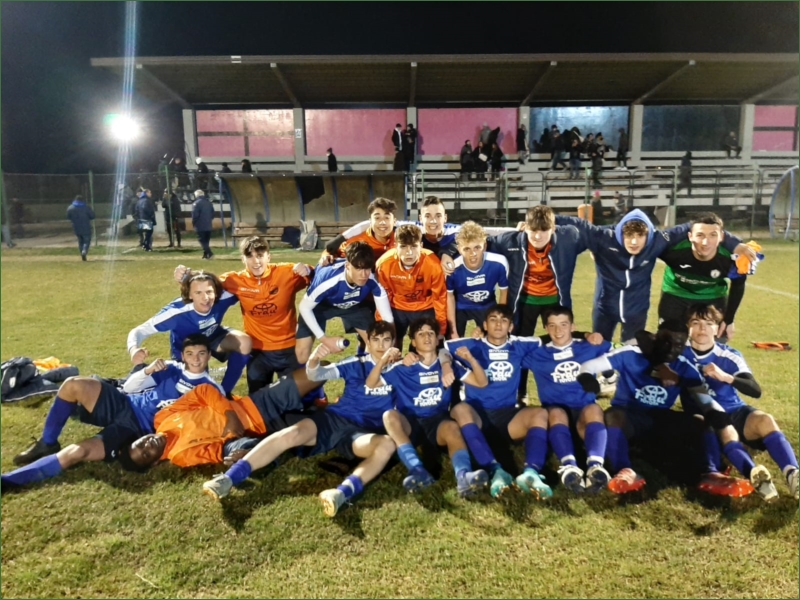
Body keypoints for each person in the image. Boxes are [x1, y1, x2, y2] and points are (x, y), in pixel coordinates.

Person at [202, 324, 397, 517]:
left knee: (386, 445)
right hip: (334, 419)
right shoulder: (356, 363)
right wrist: (314, 359)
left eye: (386, 340)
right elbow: (317, 374)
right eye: (376, 340)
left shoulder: (403, 370)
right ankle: (228, 479)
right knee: (292, 434)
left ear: (394, 342)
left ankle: (341, 494)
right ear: (368, 342)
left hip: (362, 432)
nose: (381, 345)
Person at [2, 334, 221, 491]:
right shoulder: (171, 368)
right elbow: (130, 387)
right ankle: (47, 442)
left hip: (138, 431)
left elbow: (210, 423)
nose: (196, 359)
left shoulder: (212, 390)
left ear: (209, 355)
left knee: (78, 452)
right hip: (124, 402)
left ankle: (9, 481)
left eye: (201, 353)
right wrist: (147, 370)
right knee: (72, 385)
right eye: (190, 353)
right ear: (183, 355)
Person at [578, 328, 777, 499]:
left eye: (679, 344)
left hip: (659, 420)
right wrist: (587, 377)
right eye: (667, 341)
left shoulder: (684, 366)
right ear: (656, 339)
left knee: (700, 420)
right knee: (613, 415)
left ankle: (711, 473)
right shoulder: (630, 353)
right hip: (629, 417)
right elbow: (590, 366)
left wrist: (716, 413)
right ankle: (624, 470)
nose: (672, 348)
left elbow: (703, 397)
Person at [554, 208, 748, 342]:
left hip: (637, 309)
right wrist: (544, 220)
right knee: (599, 343)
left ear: (649, 235)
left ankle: (628, 382)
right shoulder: (603, 239)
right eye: (629, 236)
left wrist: (735, 243)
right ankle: (605, 376)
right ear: (620, 233)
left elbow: (696, 226)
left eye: (640, 236)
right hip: (605, 307)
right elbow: (577, 223)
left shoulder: (658, 240)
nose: (634, 242)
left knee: (632, 348)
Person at [368, 317, 490, 497]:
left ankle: (464, 476)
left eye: (431, 333)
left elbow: (481, 382)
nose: (426, 337)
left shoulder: (447, 365)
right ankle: (417, 469)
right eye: (421, 334)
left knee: (452, 427)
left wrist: (471, 360)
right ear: (413, 341)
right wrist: (384, 360)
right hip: (410, 423)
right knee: (390, 416)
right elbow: (371, 384)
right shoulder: (403, 366)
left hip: (437, 422)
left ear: (437, 338)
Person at [174, 236, 313, 393]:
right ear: (243, 259)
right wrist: (185, 276)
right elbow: (206, 283)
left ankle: (318, 396)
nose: (256, 261)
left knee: (295, 399)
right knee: (256, 400)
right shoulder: (235, 280)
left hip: (289, 349)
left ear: (268, 256)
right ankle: (223, 394)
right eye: (250, 256)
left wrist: (308, 270)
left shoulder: (288, 273)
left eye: (260, 255)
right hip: (257, 351)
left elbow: (318, 277)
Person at [681, 304, 793, 499]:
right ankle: (754, 475)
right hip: (705, 418)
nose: (702, 328)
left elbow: (754, 389)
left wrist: (726, 377)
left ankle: (793, 474)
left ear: (717, 329)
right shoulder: (680, 355)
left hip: (735, 411)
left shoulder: (728, 355)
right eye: (695, 322)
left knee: (765, 420)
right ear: (687, 327)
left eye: (709, 323)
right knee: (724, 432)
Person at [446, 304, 552, 499]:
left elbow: (553, 337)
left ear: (511, 327)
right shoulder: (472, 344)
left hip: (508, 417)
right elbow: (442, 348)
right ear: (485, 325)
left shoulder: (519, 345)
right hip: (477, 416)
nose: (498, 324)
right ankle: (495, 470)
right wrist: (446, 364)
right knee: (461, 409)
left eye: (504, 321)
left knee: (540, 413)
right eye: (493, 320)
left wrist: (587, 335)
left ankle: (531, 472)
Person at [122, 368, 322, 469]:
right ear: (155, 463)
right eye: (146, 454)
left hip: (257, 403)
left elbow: (203, 391)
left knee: (319, 371)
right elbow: (218, 451)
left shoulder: (162, 418)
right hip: (269, 430)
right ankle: (315, 409)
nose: (147, 445)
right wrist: (241, 452)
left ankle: (313, 401)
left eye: (140, 444)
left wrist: (230, 416)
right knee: (326, 425)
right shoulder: (180, 455)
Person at [486, 205, 588, 402]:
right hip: (525, 302)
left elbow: (595, 236)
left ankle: (561, 392)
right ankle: (520, 393)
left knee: (561, 346)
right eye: (533, 230)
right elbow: (481, 242)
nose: (538, 236)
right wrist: (449, 253)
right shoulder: (511, 241)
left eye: (544, 230)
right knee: (520, 346)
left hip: (555, 302)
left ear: (553, 228)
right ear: (525, 227)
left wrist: (558, 219)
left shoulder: (568, 237)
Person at [524, 307, 613, 493]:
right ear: (546, 328)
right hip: (555, 417)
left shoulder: (590, 346)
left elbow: (622, 351)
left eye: (564, 325)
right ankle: (569, 467)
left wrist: (590, 336)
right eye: (552, 326)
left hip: (584, 416)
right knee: (556, 412)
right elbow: (506, 348)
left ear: (573, 326)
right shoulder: (536, 353)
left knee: (594, 409)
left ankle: (595, 467)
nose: (558, 331)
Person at [127, 270, 251, 394]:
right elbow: (139, 331)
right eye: (198, 293)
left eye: (209, 292)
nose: (205, 298)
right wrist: (133, 349)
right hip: (187, 351)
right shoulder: (175, 313)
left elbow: (249, 288)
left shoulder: (223, 297)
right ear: (190, 295)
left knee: (244, 342)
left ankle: (225, 393)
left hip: (213, 337)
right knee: (194, 392)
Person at [657, 213, 755, 341]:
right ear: (690, 236)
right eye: (700, 235)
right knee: (668, 344)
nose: (705, 242)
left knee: (715, 344)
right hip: (675, 295)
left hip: (713, 297)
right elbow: (650, 247)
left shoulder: (732, 259)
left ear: (722, 237)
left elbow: (738, 285)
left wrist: (729, 320)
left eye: (713, 235)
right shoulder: (673, 251)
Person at [296, 241, 394, 364]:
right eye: (358, 268)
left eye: (367, 268)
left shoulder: (372, 279)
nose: (364, 275)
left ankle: (366, 371)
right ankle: (322, 369)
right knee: (301, 356)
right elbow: (304, 308)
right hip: (321, 305)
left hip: (352, 305)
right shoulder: (328, 280)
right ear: (347, 266)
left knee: (378, 345)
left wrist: (391, 346)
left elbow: (387, 318)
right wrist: (325, 340)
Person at [375, 224, 448, 348]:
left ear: (421, 246)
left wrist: (441, 329)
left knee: (425, 347)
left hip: (425, 307)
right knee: (391, 343)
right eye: (403, 246)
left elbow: (440, 297)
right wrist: (382, 325)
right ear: (395, 246)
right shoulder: (384, 264)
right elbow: (382, 297)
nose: (409, 252)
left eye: (414, 246)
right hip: (397, 307)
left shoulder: (433, 264)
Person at [446, 221, 509, 337]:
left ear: (484, 246)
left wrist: (498, 320)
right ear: (459, 249)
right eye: (467, 249)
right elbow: (449, 297)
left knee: (493, 338)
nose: (473, 253)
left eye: (477, 247)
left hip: (487, 305)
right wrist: (453, 331)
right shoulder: (452, 268)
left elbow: (504, 292)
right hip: (460, 307)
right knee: (454, 341)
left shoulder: (498, 263)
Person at [321, 197, 398, 264]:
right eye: (377, 218)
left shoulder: (401, 239)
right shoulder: (357, 241)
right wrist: (326, 256)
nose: (382, 222)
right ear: (370, 221)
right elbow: (331, 250)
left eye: (387, 218)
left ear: (394, 221)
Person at [66, 194, 95, 261]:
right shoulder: (86, 207)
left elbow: (68, 217)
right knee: (86, 241)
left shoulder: (70, 208)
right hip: (86, 226)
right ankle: (84, 251)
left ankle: (82, 252)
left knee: (80, 241)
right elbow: (92, 216)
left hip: (76, 227)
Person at [192, 189, 215, 259]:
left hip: (200, 225)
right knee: (206, 241)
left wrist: (194, 223)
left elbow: (195, 215)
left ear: (196, 195)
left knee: (201, 240)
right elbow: (213, 214)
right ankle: (205, 255)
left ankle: (209, 253)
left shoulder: (196, 203)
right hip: (208, 225)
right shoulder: (209, 202)